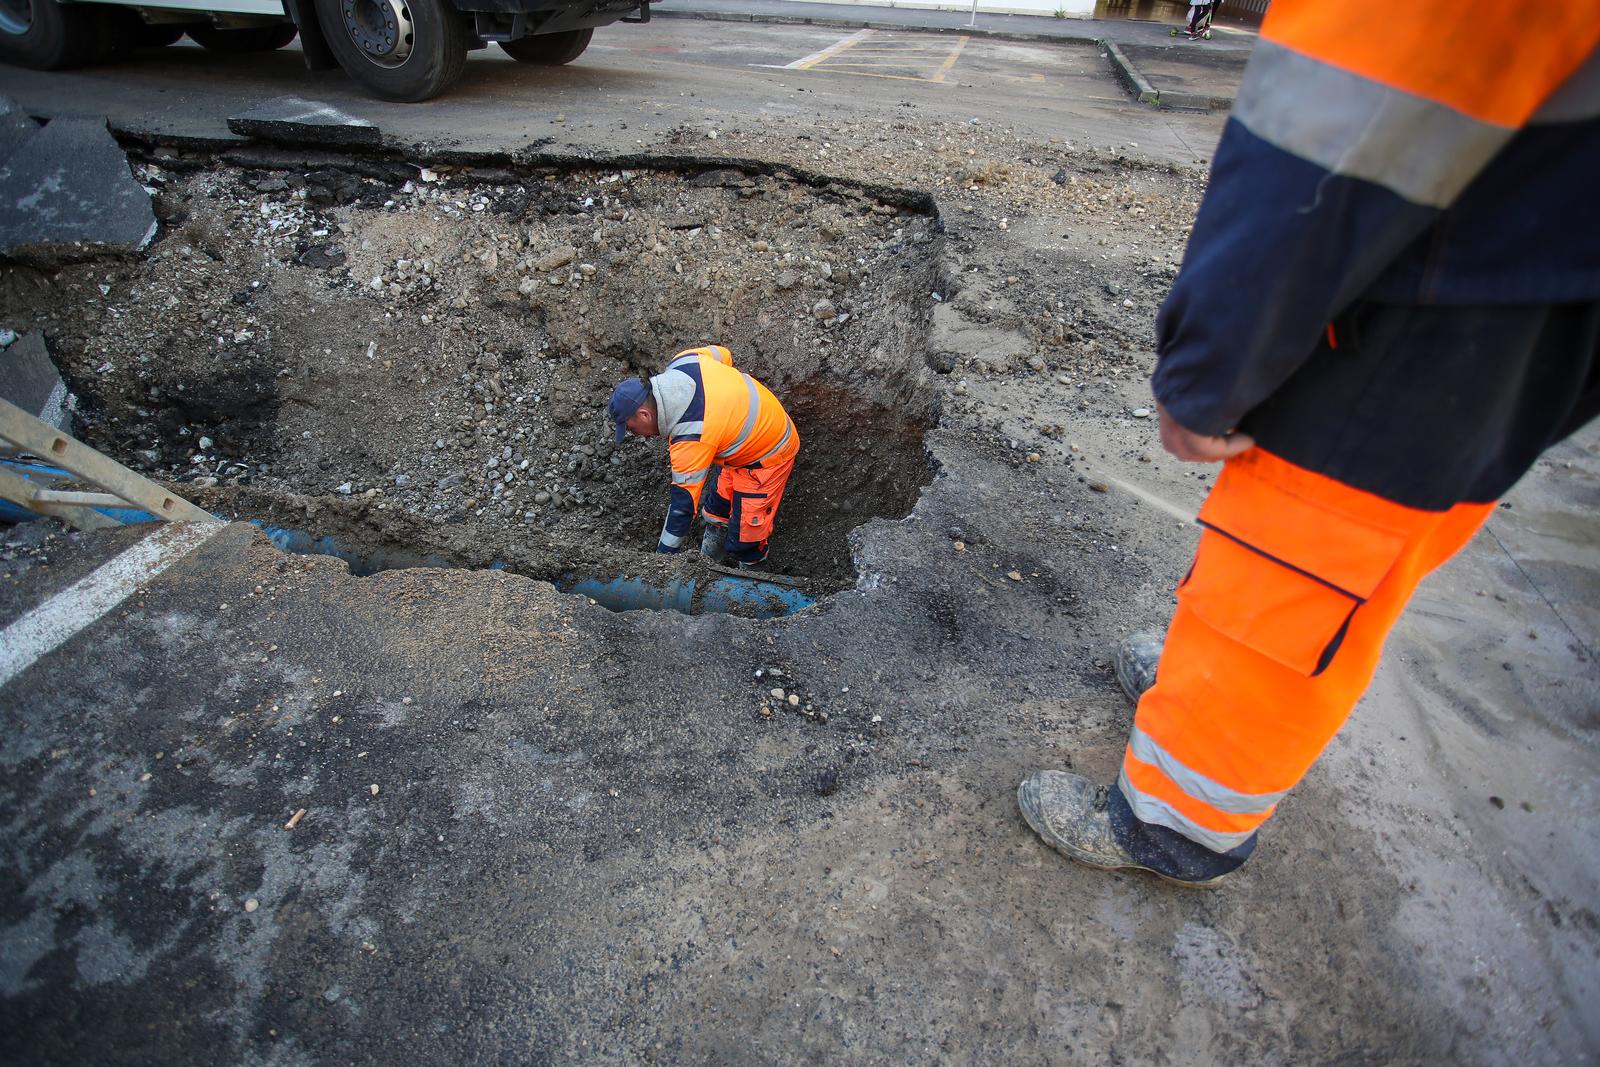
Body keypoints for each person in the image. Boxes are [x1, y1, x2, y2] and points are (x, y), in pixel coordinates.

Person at [1018, 3, 1600, 888]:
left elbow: (1324, 155)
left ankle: (1174, 826)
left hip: (1436, 308)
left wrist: (1212, 370)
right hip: (1524, 279)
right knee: (1348, 573)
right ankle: (1191, 682)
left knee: (1290, 586)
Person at [608, 345, 800, 567]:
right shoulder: (684, 361)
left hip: (769, 453)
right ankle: (710, 565)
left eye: (632, 428)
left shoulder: (691, 434)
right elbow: (724, 354)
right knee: (716, 512)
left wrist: (661, 562)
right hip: (740, 447)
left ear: (644, 414)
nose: (636, 435)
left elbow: (683, 506)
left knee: (746, 540)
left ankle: (753, 587)